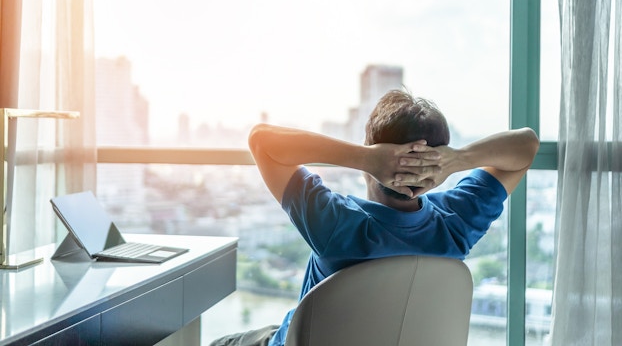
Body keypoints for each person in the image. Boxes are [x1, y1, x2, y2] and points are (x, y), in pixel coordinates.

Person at [210, 89, 539, 346]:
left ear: (372, 150)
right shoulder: (456, 222)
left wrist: (364, 158)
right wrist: (456, 160)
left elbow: (261, 141)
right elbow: (527, 144)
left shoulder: (336, 223)